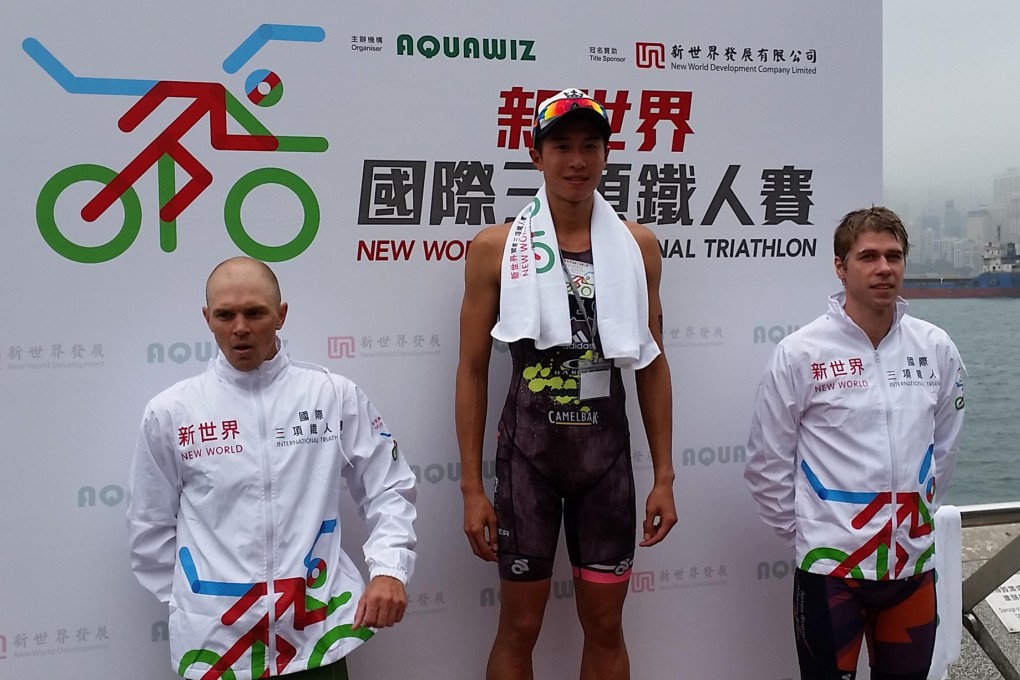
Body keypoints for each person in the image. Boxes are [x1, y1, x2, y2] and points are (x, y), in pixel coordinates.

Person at [455, 88, 677, 680]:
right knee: (519, 628)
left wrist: (665, 475)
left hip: (604, 464)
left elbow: (653, 361)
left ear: (606, 155)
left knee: (606, 627)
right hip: (527, 457)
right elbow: (472, 369)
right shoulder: (495, 249)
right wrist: (472, 487)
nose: (576, 161)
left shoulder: (638, 247)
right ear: (537, 155)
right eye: (561, 147)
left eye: (589, 146)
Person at [127, 257, 416, 680]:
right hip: (217, 647)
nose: (240, 327)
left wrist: (390, 568)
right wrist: (194, 602)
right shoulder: (172, 412)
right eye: (225, 315)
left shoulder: (331, 395)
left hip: (319, 638)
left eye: (255, 313)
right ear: (208, 319)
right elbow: (149, 526)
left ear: (280, 315)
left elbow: (389, 487)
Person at [744, 207, 966, 680]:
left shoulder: (937, 348)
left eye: (894, 256)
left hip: (911, 567)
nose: (884, 268)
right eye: (868, 256)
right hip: (831, 571)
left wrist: (915, 519)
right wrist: (812, 534)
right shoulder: (801, 352)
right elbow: (766, 463)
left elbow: (945, 450)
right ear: (840, 267)